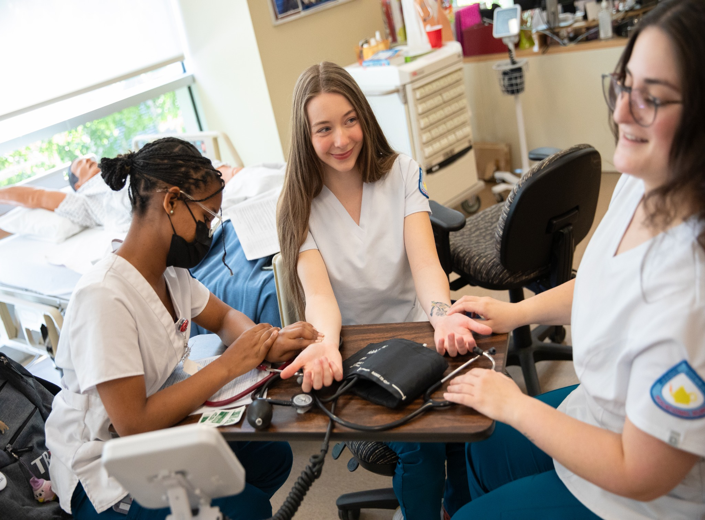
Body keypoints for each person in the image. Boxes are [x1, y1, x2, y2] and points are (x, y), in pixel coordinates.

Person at [443, 1, 705, 518]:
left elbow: (639, 472)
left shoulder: (689, 292)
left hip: (638, 498)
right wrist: (514, 313)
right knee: (477, 442)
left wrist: (514, 403)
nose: (622, 112)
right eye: (623, 86)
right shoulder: (640, 183)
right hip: (599, 412)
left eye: (650, 98)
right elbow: (604, 283)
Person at [44, 137, 321, 520]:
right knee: (247, 509)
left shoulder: (171, 275)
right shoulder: (104, 297)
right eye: (206, 218)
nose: (209, 231)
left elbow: (223, 318)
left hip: (156, 435)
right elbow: (134, 424)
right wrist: (230, 365)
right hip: (105, 466)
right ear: (171, 201)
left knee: (271, 456)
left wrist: (265, 342)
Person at [275, 62, 492, 520]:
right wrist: (325, 346)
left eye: (350, 120)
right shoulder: (297, 205)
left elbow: (425, 262)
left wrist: (443, 314)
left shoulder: (400, 172)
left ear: (365, 118)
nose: (341, 139)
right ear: (304, 135)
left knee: (465, 423)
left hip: (417, 330)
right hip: (357, 351)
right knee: (419, 444)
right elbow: (319, 298)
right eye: (324, 128)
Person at [0, 154, 241, 231]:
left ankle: (232, 174)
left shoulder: (130, 168)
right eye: (81, 164)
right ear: (77, 184)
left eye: (89, 157)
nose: (88, 158)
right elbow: (35, 196)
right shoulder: (84, 200)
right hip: (159, 215)